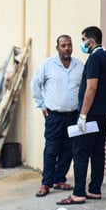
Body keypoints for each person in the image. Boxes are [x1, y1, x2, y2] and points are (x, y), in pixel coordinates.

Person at [58, 26, 106, 205]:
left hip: (91, 114)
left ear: (91, 41)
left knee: (81, 151)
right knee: (98, 151)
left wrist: (83, 115)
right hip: (105, 112)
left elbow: (91, 88)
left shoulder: (94, 58)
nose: (82, 44)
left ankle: (78, 193)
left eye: (83, 40)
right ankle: (94, 190)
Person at [31, 34, 83, 197]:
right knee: (51, 149)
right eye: (63, 45)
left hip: (74, 115)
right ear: (57, 48)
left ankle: (60, 179)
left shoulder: (79, 65)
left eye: (69, 45)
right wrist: (41, 105)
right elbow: (35, 85)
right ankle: (46, 183)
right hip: (54, 116)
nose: (67, 48)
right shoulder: (48, 64)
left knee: (69, 148)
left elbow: (84, 88)